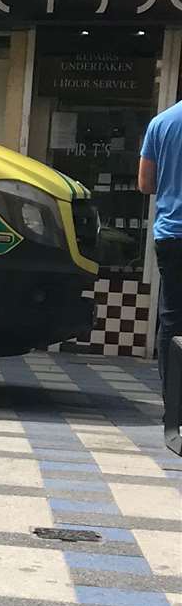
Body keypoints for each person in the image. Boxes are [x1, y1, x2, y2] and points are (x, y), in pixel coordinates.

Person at [140, 100, 182, 454]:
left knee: (171, 320)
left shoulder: (161, 123)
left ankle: (173, 407)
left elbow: (145, 183)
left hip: (171, 235)